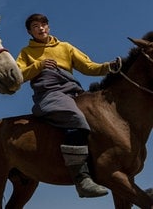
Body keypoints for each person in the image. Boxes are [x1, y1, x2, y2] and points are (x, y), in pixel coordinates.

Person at [15, 13, 121, 198]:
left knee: (101, 120)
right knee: (75, 118)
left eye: (43, 25)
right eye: (35, 26)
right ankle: (82, 179)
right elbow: (18, 76)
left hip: (73, 91)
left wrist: (108, 67)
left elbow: (88, 67)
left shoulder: (65, 47)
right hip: (49, 93)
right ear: (29, 31)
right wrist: (38, 66)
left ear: (48, 27)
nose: (40, 28)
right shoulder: (26, 52)